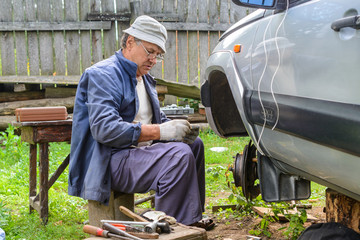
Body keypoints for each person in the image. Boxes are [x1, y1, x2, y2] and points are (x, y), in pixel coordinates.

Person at [68, 15, 212, 229]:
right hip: (108, 160)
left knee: (193, 146)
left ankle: (188, 219)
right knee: (178, 156)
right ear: (130, 42)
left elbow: (152, 120)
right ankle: (168, 229)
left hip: (134, 154)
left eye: (158, 55)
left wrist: (179, 128)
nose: (154, 60)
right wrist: (160, 132)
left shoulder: (143, 77)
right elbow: (104, 130)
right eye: (150, 51)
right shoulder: (103, 75)